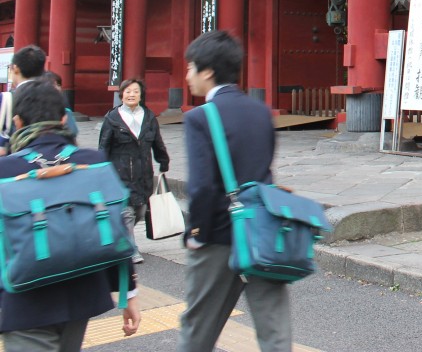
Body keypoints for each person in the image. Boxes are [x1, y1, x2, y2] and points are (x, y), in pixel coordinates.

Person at [0, 79, 141, 350]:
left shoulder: (6, 170)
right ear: (64, 119)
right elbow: (116, 227)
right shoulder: (94, 162)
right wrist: (128, 293)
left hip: (24, 303)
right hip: (81, 296)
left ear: (17, 122)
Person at [177, 30, 289, 352]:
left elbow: (202, 187)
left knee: (198, 328)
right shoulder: (261, 111)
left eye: (190, 68)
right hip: (264, 231)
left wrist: (197, 232)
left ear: (207, 71)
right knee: (274, 330)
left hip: (220, 235)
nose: (187, 76)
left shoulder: (200, 116)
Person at [98, 78, 171, 265]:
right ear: (121, 94)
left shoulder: (148, 117)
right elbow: (103, 147)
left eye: (135, 91)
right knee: (127, 211)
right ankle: (132, 249)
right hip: (119, 173)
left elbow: (157, 142)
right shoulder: (112, 119)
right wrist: (100, 170)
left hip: (143, 172)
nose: (131, 94)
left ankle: (120, 235)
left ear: (141, 95)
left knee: (140, 209)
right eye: (128, 91)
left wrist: (163, 161)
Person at [1, 46, 47, 154]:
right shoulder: (54, 96)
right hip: (47, 157)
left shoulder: (6, 99)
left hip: (15, 159)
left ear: (15, 68)